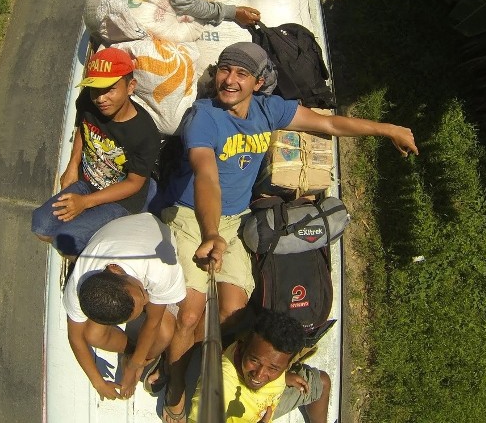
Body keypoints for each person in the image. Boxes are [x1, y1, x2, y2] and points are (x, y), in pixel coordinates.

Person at [159, 41, 419, 420]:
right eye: (225, 70)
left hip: (235, 221)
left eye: (241, 74)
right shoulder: (204, 117)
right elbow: (206, 176)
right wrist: (210, 232)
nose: (230, 80)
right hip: (192, 214)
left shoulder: (269, 110)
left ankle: (206, 363)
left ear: (259, 82)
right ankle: (176, 382)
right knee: (190, 312)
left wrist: (387, 129)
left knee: (232, 312)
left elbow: (328, 123)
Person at [31, 47, 160, 257]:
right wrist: (72, 166)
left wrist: (85, 203)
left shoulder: (145, 134)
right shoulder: (88, 101)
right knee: (41, 226)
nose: (100, 99)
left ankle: (92, 259)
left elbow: (133, 183)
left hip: (121, 199)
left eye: (110, 89)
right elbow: (84, 126)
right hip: (87, 181)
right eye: (95, 89)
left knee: (68, 241)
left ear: (130, 87)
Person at [64, 212, 186, 400]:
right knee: (92, 334)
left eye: (141, 294)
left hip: (155, 247)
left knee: (164, 335)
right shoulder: (80, 282)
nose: (146, 300)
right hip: (128, 254)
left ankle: (140, 357)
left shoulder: (160, 269)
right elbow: (75, 337)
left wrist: (135, 365)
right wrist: (98, 382)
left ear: (115, 269)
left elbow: (153, 321)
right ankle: (133, 352)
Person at [187, 309, 331, 423]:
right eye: (254, 361)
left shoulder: (265, 356)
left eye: (273, 368)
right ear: (242, 345)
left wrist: (283, 378)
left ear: (287, 364)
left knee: (322, 382)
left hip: (267, 404)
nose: (259, 375)